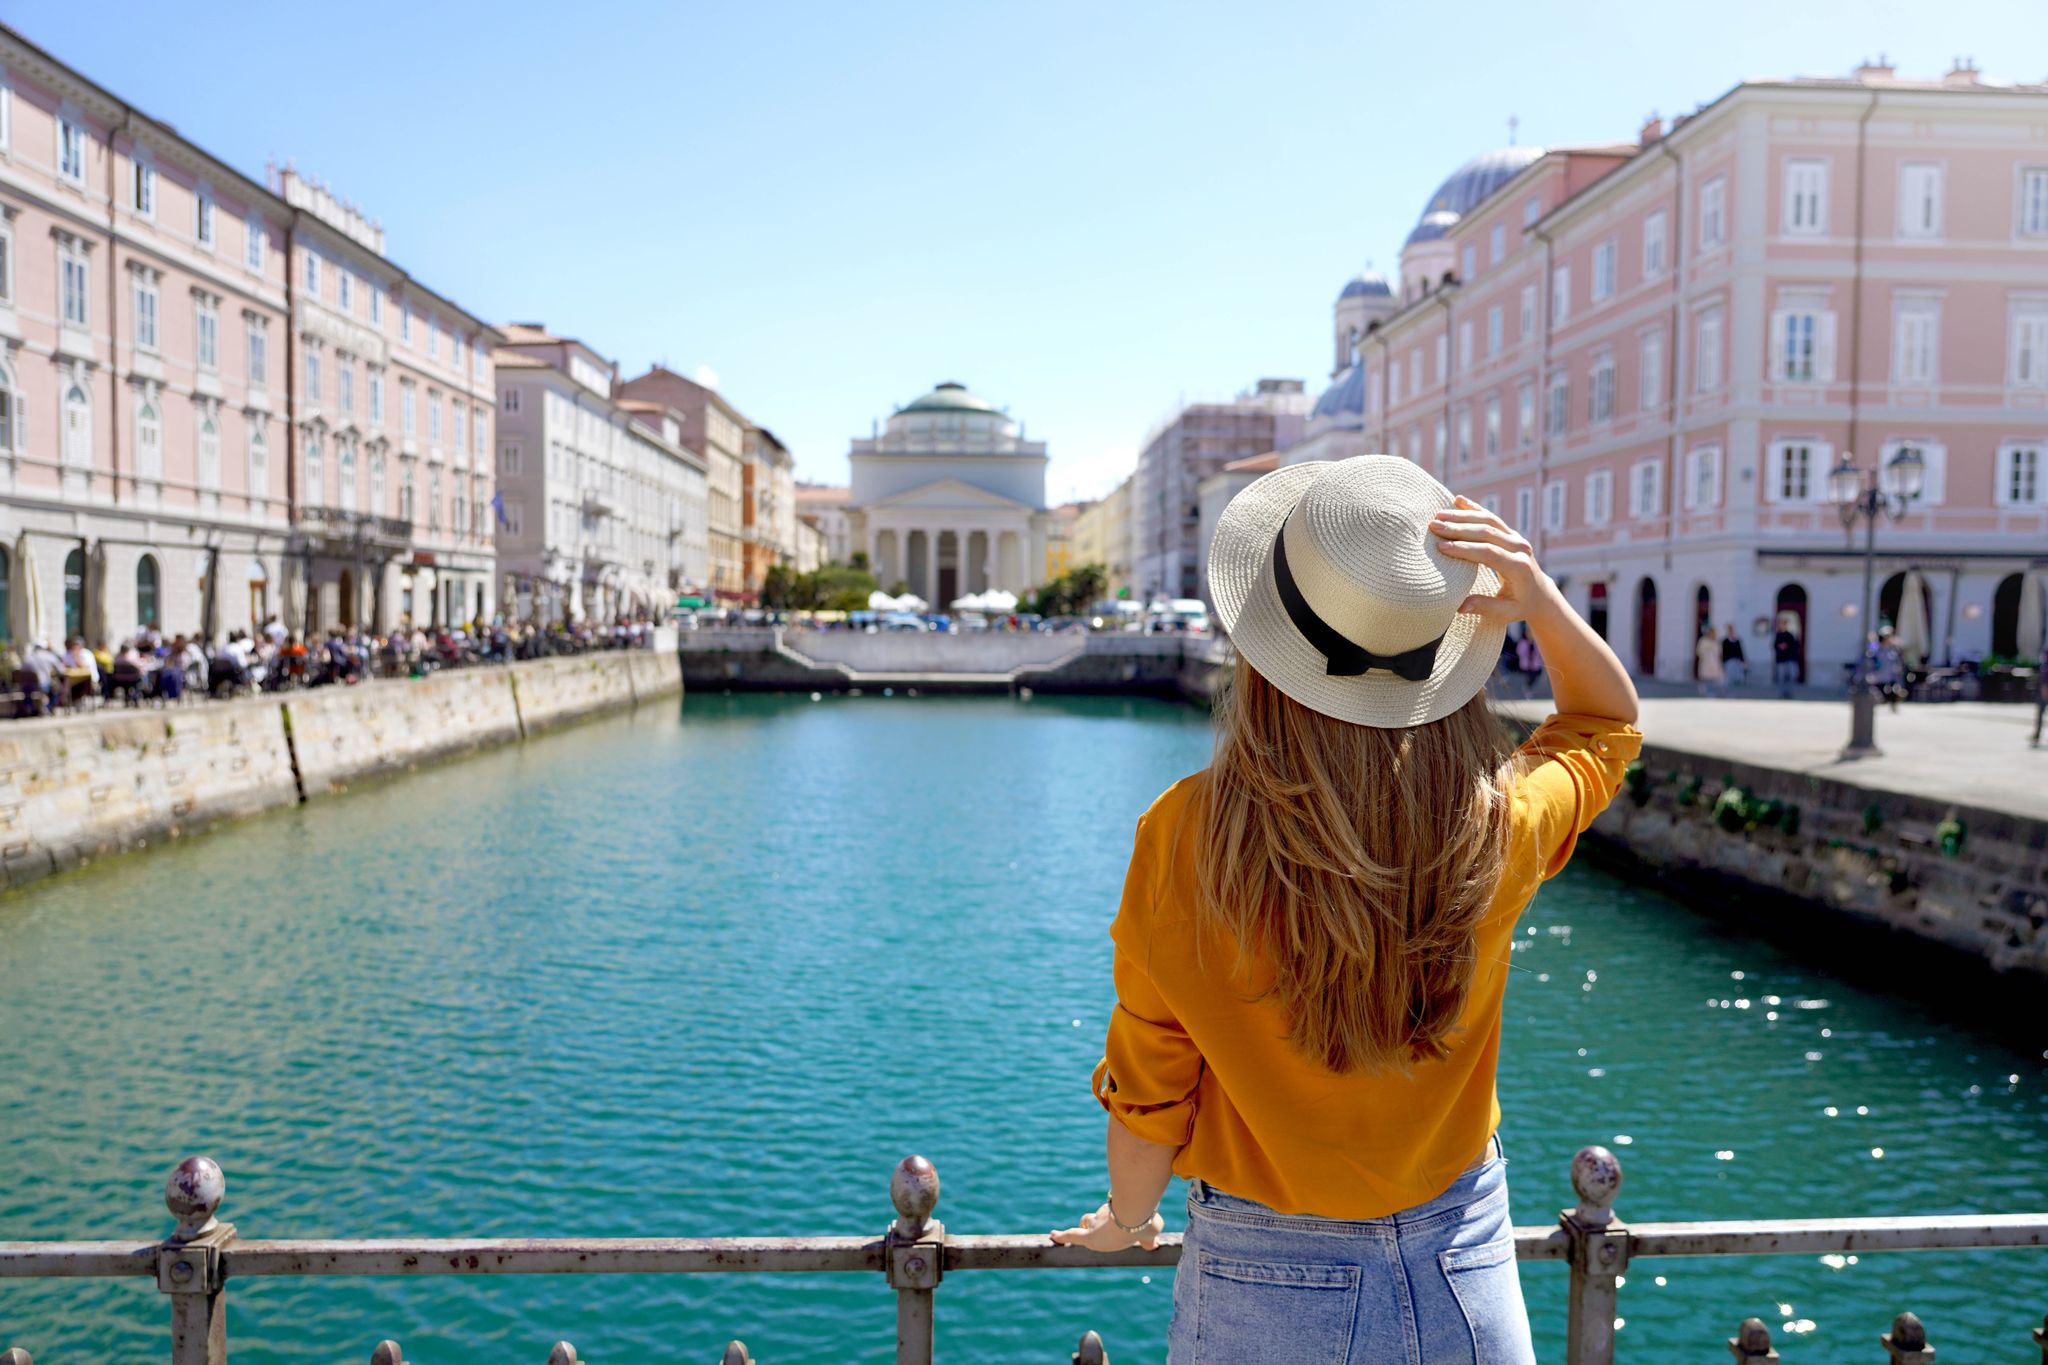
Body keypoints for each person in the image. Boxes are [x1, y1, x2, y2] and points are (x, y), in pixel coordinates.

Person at [1051, 456, 1640, 1363]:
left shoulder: (1186, 836)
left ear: (1262, 649)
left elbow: (1152, 1088)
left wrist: (1127, 1219)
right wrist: (1540, 595)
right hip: (1467, 1267)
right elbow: (1603, 725)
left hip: (1262, 1279)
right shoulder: (1497, 821)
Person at [1772, 618, 1801, 698]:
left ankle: (1789, 693)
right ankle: (1781, 693)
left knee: (1790, 677)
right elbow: (1774, 646)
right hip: (1781, 660)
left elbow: (1794, 647)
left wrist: (1786, 647)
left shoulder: (1790, 635)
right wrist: (1780, 646)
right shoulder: (1778, 635)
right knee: (1781, 678)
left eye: (1783, 624)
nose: (1782, 626)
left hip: (1789, 659)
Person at [1695, 624, 1723, 696]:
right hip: (1706, 662)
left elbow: (1719, 653)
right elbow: (1699, 651)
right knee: (1705, 678)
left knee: (1713, 679)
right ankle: (1704, 692)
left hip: (1714, 663)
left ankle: (1711, 693)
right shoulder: (1703, 641)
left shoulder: (1716, 642)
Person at [1515, 627, 1543, 697]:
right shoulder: (1523, 642)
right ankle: (1528, 689)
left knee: (1535, 676)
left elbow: (1541, 652)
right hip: (1526, 664)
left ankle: (1528, 687)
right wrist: (1526, 654)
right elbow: (1519, 652)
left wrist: (1535, 654)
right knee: (1528, 676)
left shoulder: (1537, 642)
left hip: (1535, 664)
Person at [1721, 623, 1747, 692]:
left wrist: (1743, 660)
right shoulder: (1725, 641)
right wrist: (1723, 662)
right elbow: (1723, 652)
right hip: (1728, 661)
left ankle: (1735, 691)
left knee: (1737, 676)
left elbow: (1740, 651)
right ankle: (1727, 691)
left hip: (1737, 660)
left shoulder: (1737, 640)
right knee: (1729, 677)